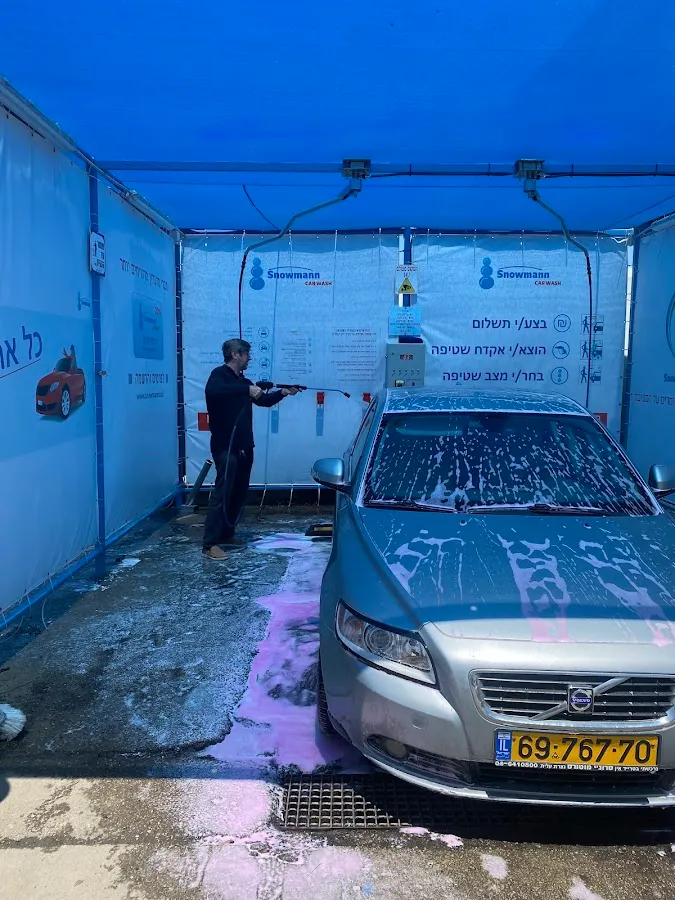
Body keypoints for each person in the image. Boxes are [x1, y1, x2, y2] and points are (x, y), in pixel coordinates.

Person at [202, 338, 300, 559]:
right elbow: (214, 391)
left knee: (238, 492)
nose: (250, 358)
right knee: (223, 492)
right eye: (246, 354)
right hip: (225, 445)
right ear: (235, 354)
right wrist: (247, 388)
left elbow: (263, 401)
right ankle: (210, 544)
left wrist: (283, 393)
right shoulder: (219, 375)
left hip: (245, 445)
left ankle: (227, 534)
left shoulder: (244, 381)